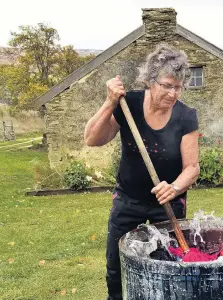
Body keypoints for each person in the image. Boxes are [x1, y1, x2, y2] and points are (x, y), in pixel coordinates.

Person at [83, 43, 200, 300]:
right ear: (150, 80)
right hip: (128, 202)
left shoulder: (186, 116)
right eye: (166, 85)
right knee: (116, 270)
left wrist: (175, 188)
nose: (172, 93)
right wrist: (109, 101)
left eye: (177, 87)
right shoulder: (130, 105)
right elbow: (92, 139)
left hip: (167, 205)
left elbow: (192, 167)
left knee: (170, 267)